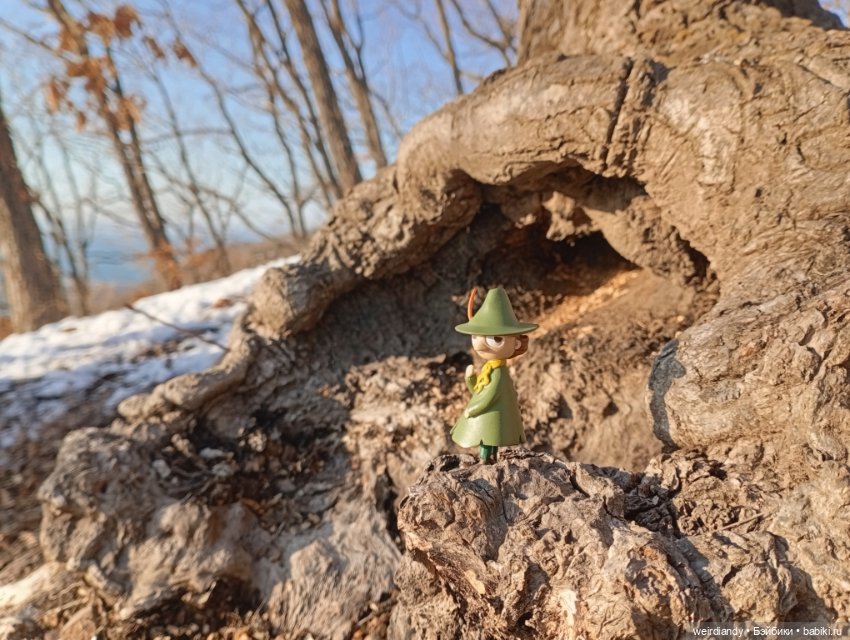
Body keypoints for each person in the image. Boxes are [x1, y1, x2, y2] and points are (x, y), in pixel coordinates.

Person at [451, 287, 538, 463]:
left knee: (490, 439)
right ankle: (488, 459)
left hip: (493, 416)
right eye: (475, 337)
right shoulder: (489, 369)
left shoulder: (498, 373)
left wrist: (473, 409)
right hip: (489, 418)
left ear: (515, 344)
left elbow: (489, 396)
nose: (480, 345)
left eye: (495, 339)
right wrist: (470, 379)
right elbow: (478, 391)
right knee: (488, 438)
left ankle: (487, 460)